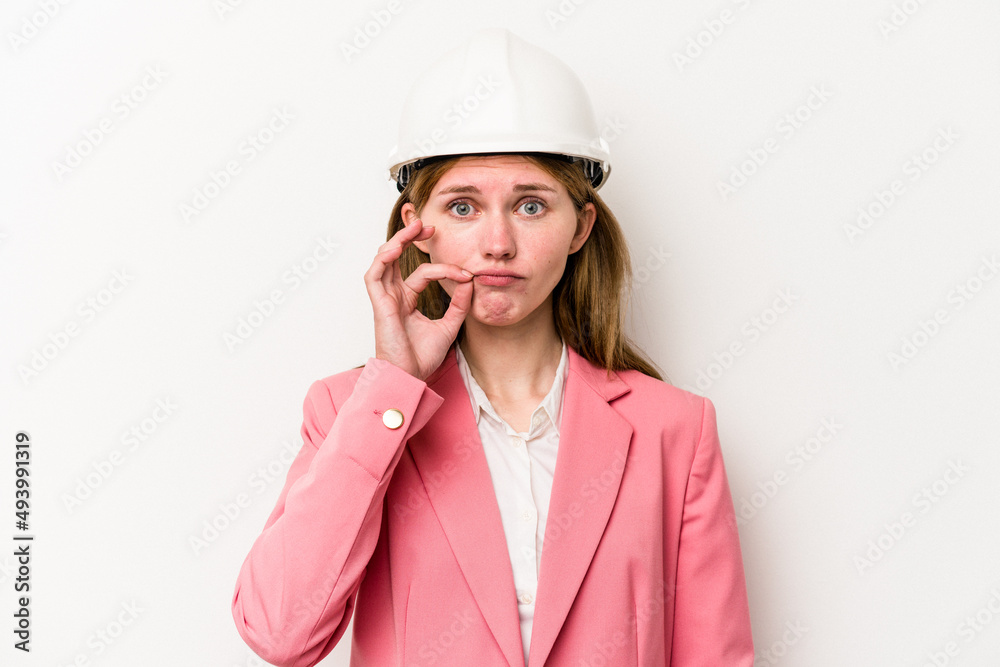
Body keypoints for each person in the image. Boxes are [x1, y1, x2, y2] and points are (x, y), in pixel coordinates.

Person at [231, 27, 754, 667]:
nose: (498, 243)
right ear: (415, 230)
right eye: (462, 208)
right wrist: (392, 389)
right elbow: (281, 633)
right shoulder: (351, 413)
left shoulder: (675, 429)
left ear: (580, 226)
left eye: (531, 206)